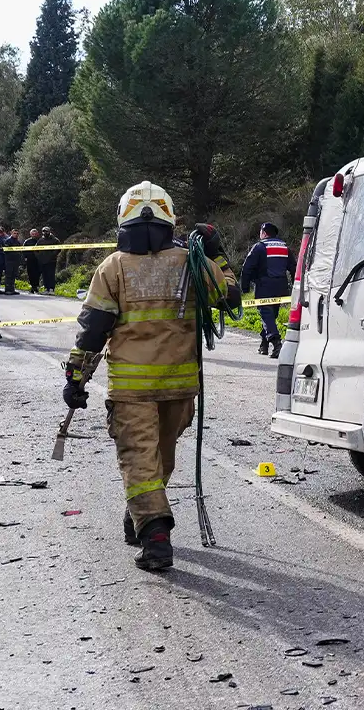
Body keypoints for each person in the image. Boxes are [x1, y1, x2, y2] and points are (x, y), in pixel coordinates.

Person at [61, 181, 240, 571]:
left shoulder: (114, 267)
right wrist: (217, 254)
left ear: (122, 219)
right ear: (169, 218)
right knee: (160, 456)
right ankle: (139, 515)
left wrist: (75, 377)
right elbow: (232, 297)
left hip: (131, 389)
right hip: (180, 387)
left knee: (139, 460)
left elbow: (93, 329)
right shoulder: (192, 263)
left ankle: (156, 536)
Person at [241, 222, 292, 358]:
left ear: (264, 233)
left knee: (266, 315)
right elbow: (294, 267)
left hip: (264, 287)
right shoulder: (285, 247)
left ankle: (276, 343)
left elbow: (247, 268)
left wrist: (244, 287)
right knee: (270, 316)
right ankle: (264, 345)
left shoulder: (259, 247)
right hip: (281, 287)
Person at [38, 226, 61, 294]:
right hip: (43, 260)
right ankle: (46, 289)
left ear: (50, 231)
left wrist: (52, 255)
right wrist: (39, 256)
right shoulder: (40, 240)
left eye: (47, 231)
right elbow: (35, 249)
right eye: (44, 231)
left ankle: (51, 289)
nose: (45, 232)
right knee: (44, 275)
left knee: (51, 275)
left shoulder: (55, 240)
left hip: (51, 260)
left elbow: (58, 248)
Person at [2, 229, 22, 295]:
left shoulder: (18, 242)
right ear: (11, 233)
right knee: (8, 275)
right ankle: (7, 289)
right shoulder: (8, 241)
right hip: (9, 261)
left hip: (15, 261)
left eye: (17, 233)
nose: (16, 234)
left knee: (13, 275)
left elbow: (20, 251)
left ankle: (12, 289)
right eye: (14, 233)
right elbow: (6, 251)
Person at [23, 228, 42, 292]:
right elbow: (23, 250)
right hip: (30, 259)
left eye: (35, 233)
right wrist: (25, 258)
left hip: (38, 259)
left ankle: (36, 286)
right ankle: (32, 286)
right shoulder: (27, 241)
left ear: (37, 234)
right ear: (30, 234)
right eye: (32, 234)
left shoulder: (40, 241)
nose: (34, 235)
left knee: (37, 273)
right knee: (30, 273)